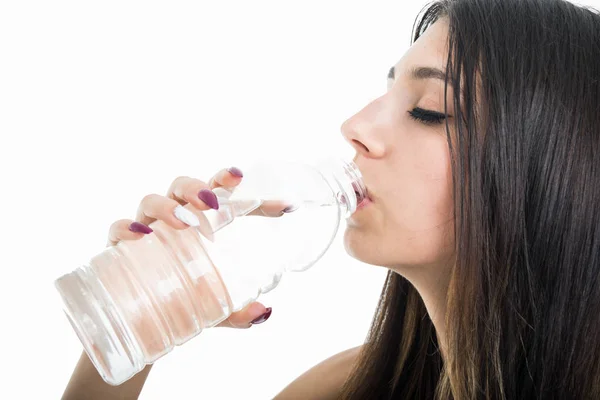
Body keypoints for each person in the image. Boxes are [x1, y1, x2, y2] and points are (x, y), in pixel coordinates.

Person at [62, 0, 600, 398]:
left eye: (429, 110)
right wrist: (138, 323)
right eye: (388, 92)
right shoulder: (353, 388)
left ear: (554, 168)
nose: (356, 127)